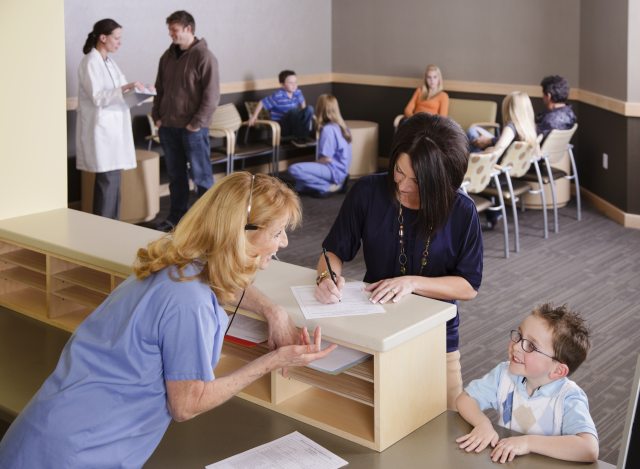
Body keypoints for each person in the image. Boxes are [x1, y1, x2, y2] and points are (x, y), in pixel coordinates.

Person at [0, 172, 336, 468]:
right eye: (277, 232)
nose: (285, 242)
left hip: (48, 429)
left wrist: (272, 310)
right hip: (80, 452)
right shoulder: (189, 303)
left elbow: (223, 277)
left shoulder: (176, 264)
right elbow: (187, 405)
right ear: (241, 234)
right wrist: (273, 360)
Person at [315, 113, 483, 410]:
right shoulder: (368, 192)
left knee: (445, 422)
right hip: (374, 331)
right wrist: (326, 278)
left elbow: (468, 286)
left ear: (441, 182)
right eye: (398, 171)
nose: (402, 185)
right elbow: (334, 252)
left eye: (416, 181)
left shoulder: (462, 211)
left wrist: (412, 283)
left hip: (437, 338)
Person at [456, 303, 599, 464]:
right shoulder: (504, 374)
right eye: (519, 335)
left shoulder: (568, 397)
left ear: (558, 371)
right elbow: (465, 399)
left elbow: (589, 449)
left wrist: (528, 442)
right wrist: (483, 424)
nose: (516, 346)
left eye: (531, 346)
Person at [152, 10, 220, 232]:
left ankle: (206, 224)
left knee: (202, 177)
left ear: (188, 29)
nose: (171, 34)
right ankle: (176, 219)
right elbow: (159, 89)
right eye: (169, 29)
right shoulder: (167, 57)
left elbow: (211, 96)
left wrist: (196, 124)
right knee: (176, 177)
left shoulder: (205, 57)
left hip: (193, 130)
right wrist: (157, 117)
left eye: (174, 29)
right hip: (169, 128)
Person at [76, 19, 142, 220]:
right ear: (103, 38)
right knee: (107, 184)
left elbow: (121, 92)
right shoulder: (90, 62)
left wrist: (139, 92)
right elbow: (98, 97)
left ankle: (114, 228)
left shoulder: (110, 63)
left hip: (115, 132)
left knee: (114, 184)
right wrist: (124, 88)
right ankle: (102, 232)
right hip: (102, 133)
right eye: (117, 38)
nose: (119, 43)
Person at [467, 91, 540, 230]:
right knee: (473, 138)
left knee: (471, 145)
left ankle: (492, 212)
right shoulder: (529, 127)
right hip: (507, 174)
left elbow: (497, 152)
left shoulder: (511, 128)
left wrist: (483, 153)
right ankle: (493, 213)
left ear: (509, 109)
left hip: (496, 176)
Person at [288, 94, 352, 197]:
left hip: (333, 170)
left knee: (295, 169)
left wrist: (314, 163)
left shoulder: (328, 129)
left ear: (320, 108)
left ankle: (328, 187)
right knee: (299, 186)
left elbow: (327, 159)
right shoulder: (342, 127)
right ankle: (331, 184)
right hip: (343, 170)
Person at [248, 70, 314, 145]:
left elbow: (302, 102)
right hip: (282, 126)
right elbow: (262, 102)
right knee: (293, 111)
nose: (294, 85)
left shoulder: (297, 92)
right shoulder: (278, 95)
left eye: (295, 82)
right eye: (290, 83)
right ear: (282, 85)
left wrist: (304, 114)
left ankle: (303, 137)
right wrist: (254, 116)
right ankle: (298, 138)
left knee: (309, 108)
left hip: (296, 125)